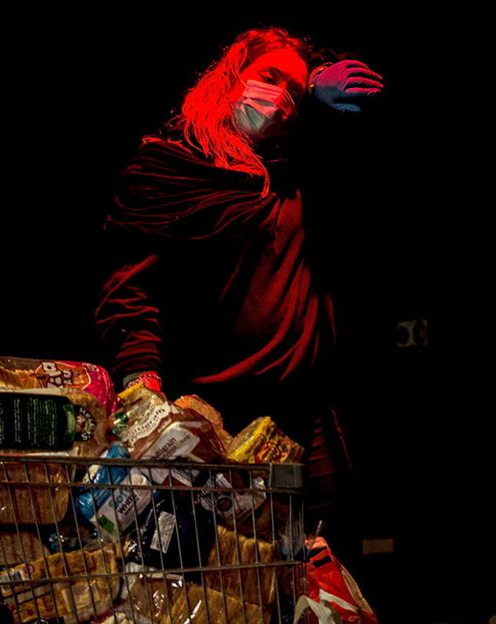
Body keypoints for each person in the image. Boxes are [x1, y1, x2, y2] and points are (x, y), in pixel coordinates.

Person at [95, 27, 383, 556]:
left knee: (325, 568)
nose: (281, 101)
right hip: (215, 420)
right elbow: (130, 289)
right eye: (270, 78)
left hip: (303, 415)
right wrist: (143, 385)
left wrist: (317, 75)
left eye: (295, 93)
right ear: (230, 78)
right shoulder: (169, 166)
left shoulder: (296, 172)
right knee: (229, 572)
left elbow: (368, 98)